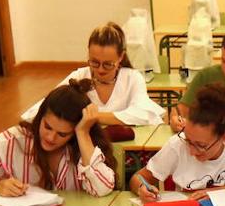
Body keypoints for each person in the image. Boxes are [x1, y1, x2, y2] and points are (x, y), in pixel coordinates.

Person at [21, 22, 164, 127]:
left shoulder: (132, 78)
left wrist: (91, 117)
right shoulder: (79, 76)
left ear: (121, 57)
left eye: (108, 64)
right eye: (94, 62)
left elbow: (143, 114)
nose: (100, 70)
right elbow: (42, 108)